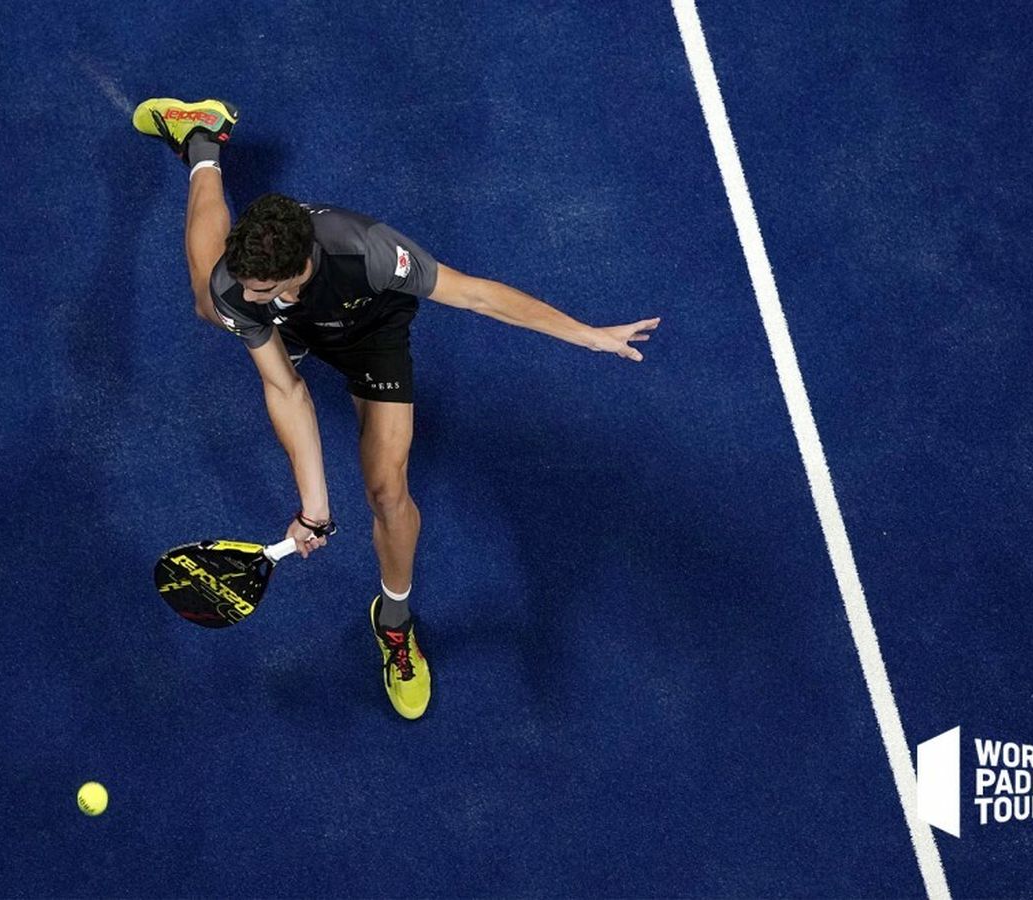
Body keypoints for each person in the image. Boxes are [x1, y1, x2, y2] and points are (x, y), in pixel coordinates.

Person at [133, 97, 660, 720]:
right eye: (248, 283)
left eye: (263, 287)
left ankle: (394, 619)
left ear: (300, 269)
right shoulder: (240, 287)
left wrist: (586, 334)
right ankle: (202, 142)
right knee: (209, 301)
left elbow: (477, 296)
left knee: (386, 489)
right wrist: (314, 509)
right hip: (294, 325)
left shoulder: (369, 252)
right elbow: (287, 389)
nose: (248, 294)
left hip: (369, 335)